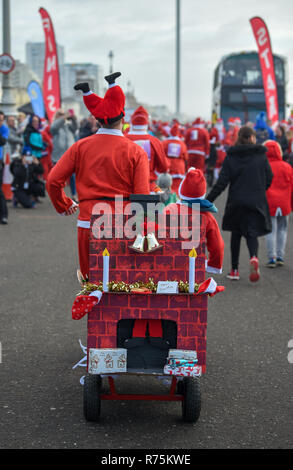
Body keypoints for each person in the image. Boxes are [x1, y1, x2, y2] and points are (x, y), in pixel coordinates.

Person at [46, 72, 150, 278]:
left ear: (97, 120)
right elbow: (142, 197)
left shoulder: (80, 147)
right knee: (121, 281)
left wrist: (64, 205)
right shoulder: (135, 151)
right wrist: (144, 232)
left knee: (91, 282)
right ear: (123, 117)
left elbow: (53, 181)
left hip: (88, 220)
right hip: (123, 222)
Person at [206, 126, 273, 282]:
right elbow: (269, 176)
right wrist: (260, 189)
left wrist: (206, 202)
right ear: (253, 138)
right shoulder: (261, 156)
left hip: (236, 200)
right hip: (256, 200)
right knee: (252, 233)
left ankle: (234, 270)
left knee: (236, 233)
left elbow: (221, 183)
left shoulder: (231, 157)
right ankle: (254, 257)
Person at [164, 167, 224, 274]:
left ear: (182, 189)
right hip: (196, 264)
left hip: (169, 262)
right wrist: (213, 265)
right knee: (194, 288)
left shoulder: (169, 209)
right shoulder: (207, 217)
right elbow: (218, 245)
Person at [263, 140, 293, 267]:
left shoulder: (264, 167)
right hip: (285, 203)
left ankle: (272, 257)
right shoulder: (287, 167)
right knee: (283, 230)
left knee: (271, 230)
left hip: (269, 202)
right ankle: (280, 255)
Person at [125, 106, 169, 193]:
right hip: (150, 187)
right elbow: (164, 167)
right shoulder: (154, 141)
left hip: (125, 188)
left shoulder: (123, 139)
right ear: (147, 123)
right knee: (162, 198)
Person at [50, 108, 78, 201]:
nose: (63, 115)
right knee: (58, 178)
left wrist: (73, 118)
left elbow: (76, 127)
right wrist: (63, 117)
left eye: (63, 114)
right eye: (60, 114)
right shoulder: (54, 126)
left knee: (73, 176)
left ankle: (74, 194)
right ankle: (58, 196)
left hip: (70, 155)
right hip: (58, 156)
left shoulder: (68, 125)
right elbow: (54, 127)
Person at [161, 123, 188, 194]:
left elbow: (160, 156)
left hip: (167, 168)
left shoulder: (164, 143)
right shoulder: (182, 144)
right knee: (177, 189)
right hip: (179, 169)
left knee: (165, 190)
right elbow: (186, 157)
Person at [0, 110, 10, 224]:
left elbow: (2, 141)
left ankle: (4, 215)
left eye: (2, 120)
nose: (0, 122)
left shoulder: (4, 129)